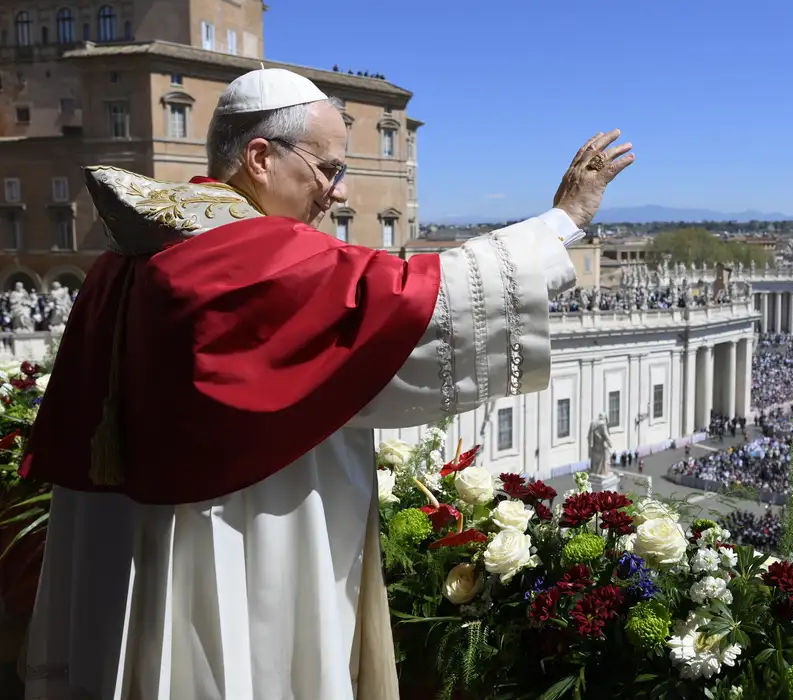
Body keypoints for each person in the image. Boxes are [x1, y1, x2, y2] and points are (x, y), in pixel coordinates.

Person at [19, 67, 634, 700]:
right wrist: (564, 220)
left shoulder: (134, 249)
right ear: (261, 158)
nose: (337, 194)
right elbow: (416, 301)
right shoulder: (248, 254)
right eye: (328, 169)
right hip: (232, 532)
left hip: (127, 536)